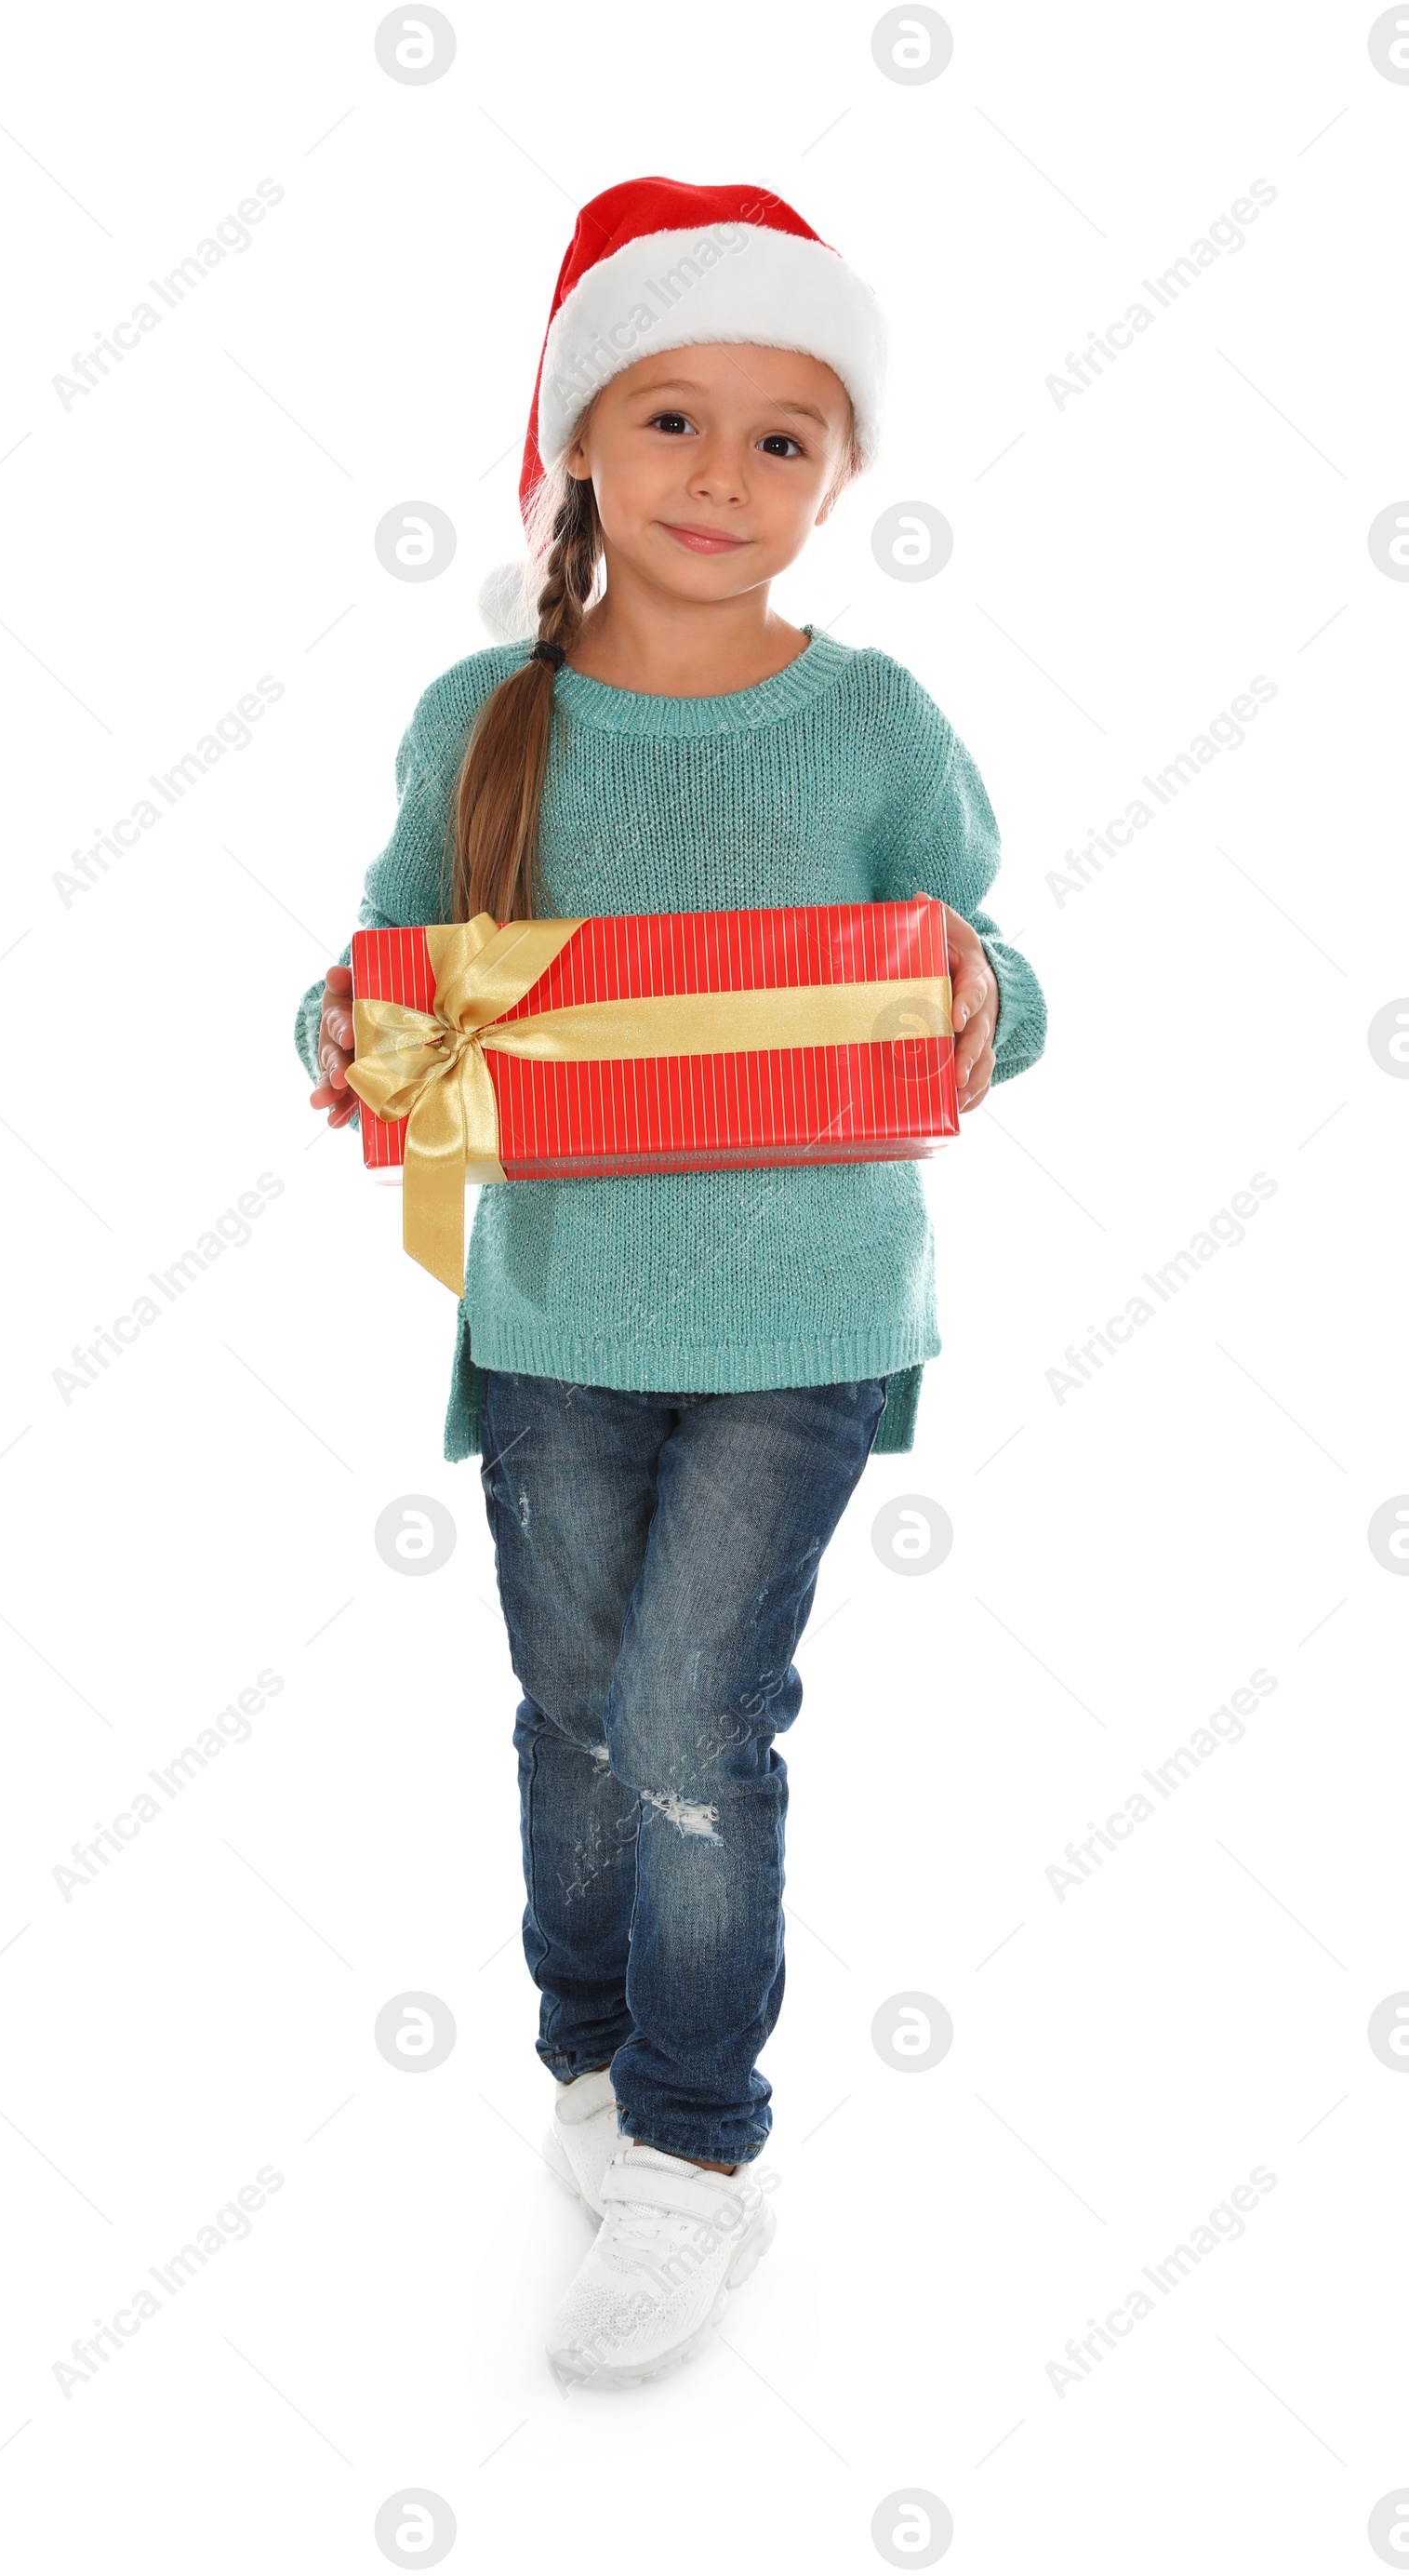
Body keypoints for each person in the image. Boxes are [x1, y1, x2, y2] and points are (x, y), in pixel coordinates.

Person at [295, 175, 1047, 2389]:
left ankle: (699, 2150)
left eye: (781, 436)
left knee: (696, 1719)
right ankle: (594, 2062)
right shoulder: (485, 722)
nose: (723, 478)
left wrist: (986, 1000)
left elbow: (983, 960)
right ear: (579, 450)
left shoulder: (876, 719)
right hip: (547, 1317)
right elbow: (388, 971)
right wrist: (334, 1034)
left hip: (804, 1316)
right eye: (671, 422)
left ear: (838, 473)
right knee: (568, 1714)